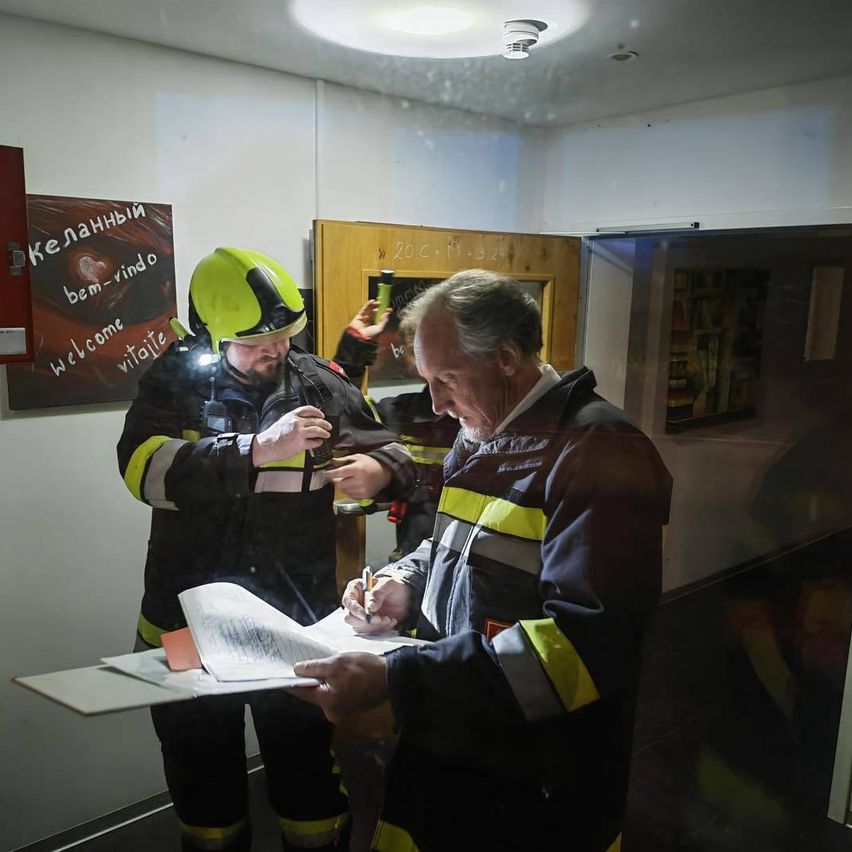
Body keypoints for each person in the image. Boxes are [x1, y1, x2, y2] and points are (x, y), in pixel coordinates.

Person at [293, 269, 673, 852]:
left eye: (447, 380)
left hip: (534, 775)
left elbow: (585, 649)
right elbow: (456, 547)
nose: (439, 406)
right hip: (455, 736)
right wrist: (404, 582)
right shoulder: (487, 431)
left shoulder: (599, 450)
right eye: (428, 382)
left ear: (506, 358)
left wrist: (397, 677)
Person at [117, 247, 415, 852]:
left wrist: (381, 470)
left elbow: (397, 451)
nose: (274, 354)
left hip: (294, 619)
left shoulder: (312, 380)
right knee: (201, 775)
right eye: (256, 344)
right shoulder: (172, 383)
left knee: (307, 774)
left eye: (282, 339)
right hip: (184, 626)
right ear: (210, 334)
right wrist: (254, 449)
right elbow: (141, 471)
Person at [333, 300, 460, 558]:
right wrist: (352, 353)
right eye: (417, 348)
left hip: (475, 578)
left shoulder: (501, 422)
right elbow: (342, 417)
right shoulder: (402, 412)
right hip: (410, 575)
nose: (440, 404)